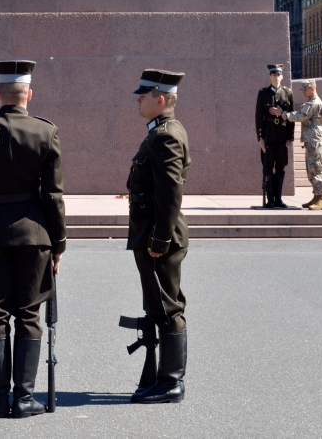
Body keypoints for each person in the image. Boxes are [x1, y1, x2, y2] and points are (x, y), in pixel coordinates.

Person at [0, 60, 66, 419]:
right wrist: (59, 243)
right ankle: (23, 398)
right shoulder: (45, 131)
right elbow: (53, 196)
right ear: (29, 95)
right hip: (35, 235)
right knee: (30, 314)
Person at [126, 68, 190, 404]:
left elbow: (170, 194)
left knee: (167, 307)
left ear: (160, 99)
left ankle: (171, 383)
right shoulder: (160, 132)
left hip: (158, 237)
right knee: (159, 305)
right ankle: (162, 378)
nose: (138, 99)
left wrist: (160, 239)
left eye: (144, 94)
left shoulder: (165, 135)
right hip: (152, 233)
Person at [272, 79, 322, 210]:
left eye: (305, 89)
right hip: (312, 141)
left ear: (312, 88)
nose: (303, 92)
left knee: (316, 168)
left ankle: (321, 199)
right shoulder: (311, 102)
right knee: (312, 169)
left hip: (316, 141)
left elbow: (300, 116)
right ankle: (316, 196)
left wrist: (283, 114)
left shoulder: (314, 103)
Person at [254, 64, 294, 209]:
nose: (276, 78)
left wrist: (290, 137)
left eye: (279, 75)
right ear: (270, 76)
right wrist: (261, 138)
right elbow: (259, 118)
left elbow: (291, 117)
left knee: (281, 167)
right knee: (268, 167)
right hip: (269, 136)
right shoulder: (263, 93)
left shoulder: (288, 93)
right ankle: (270, 199)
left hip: (282, 137)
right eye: (274, 75)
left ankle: (278, 199)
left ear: (282, 76)